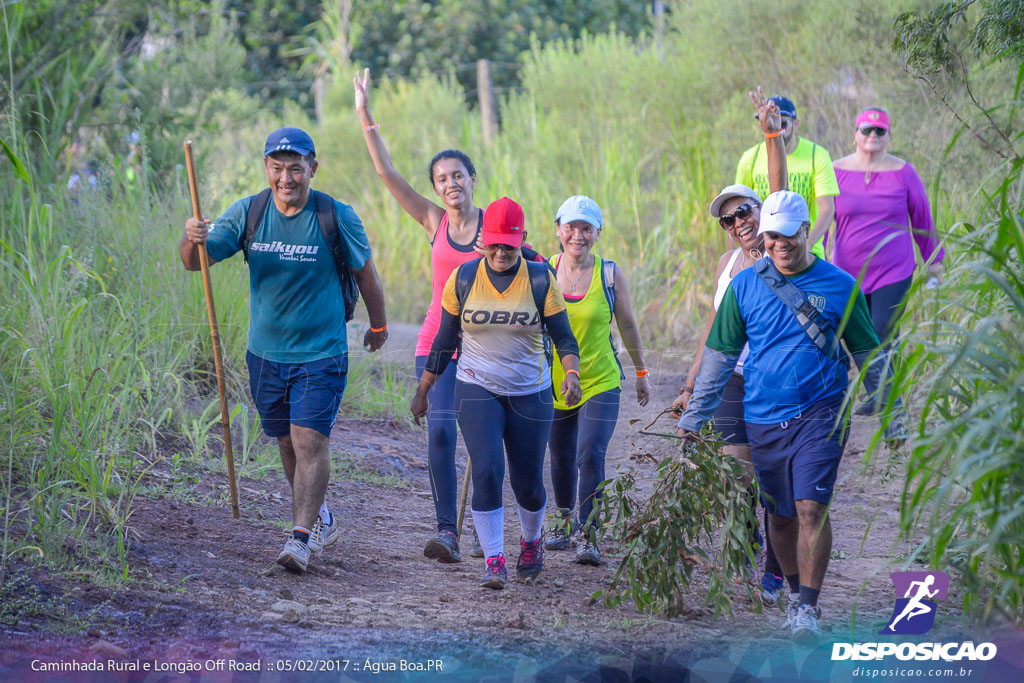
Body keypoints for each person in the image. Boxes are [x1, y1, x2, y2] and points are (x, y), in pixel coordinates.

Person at [677, 189, 884, 641]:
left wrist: (894, 411)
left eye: (788, 236)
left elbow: (868, 350)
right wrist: (695, 416)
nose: (778, 245)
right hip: (764, 414)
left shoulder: (840, 285)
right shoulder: (743, 287)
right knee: (782, 514)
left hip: (823, 411)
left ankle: (807, 608)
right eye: (771, 237)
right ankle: (794, 593)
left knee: (811, 507)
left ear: (807, 230)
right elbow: (718, 356)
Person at [179, 127, 388, 574]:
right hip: (266, 355)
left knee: (309, 438)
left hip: (321, 351)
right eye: (278, 168)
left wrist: (380, 324)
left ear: (313, 167)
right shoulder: (248, 213)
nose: (286, 177)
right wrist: (191, 236)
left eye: (296, 168)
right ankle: (320, 517)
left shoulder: (335, 215)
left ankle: (299, 538)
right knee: (285, 442)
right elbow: (196, 262)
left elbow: (365, 274)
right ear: (267, 169)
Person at [410, 197, 582, 590]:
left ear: (522, 240)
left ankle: (531, 541)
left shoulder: (540, 279)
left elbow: (564, 337)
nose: (501, 252)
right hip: (477, 387)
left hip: (530, 391)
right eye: (494, 244)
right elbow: (445, 338)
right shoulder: (464, 279)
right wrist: (425, 389)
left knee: (527, 482)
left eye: (509, 244)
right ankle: (494, 560)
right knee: (487, 470)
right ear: (481, 243)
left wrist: (570, 374)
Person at [354, 68, 485, 563]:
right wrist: (366, 114)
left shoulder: (495, 227)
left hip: (485, 346)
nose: (450, 184)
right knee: (441, 430)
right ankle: (447, 531)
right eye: (441, 178)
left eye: (457, 176)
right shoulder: (433, 220)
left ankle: (485, 527)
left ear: (472, 180)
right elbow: (388, 174)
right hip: (437, 342)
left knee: (481, 438)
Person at [672, 87, 789, 605]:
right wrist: (692, 383)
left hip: (778, 378)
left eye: (747, 211)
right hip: (732, 379)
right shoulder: (726, 267)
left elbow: (781, 183)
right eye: (730, 218)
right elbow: (714, 331)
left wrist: (770, 135)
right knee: (736, 475)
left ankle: (775, 566)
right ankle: (748, 549)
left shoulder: (779, 255)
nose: (740, 222)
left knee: (773, 480)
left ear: (763, 213)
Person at [542, 194, 650, 566]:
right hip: (555, 381)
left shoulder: (609, 273)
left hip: (601, 381)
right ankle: (563, 519)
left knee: (590, 453)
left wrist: (641, 372)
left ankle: (588, 534)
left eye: (586, 228)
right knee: (560, 456)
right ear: (557, 230)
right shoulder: (545, 269)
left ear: (597, 233)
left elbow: (629, 324)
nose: (578, 235)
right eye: (570, 227)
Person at [831, 107, 944, 416]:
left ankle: (889, 402)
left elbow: (922, 219)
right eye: (867, 130)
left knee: (881, 330)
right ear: (855, 133)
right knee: (858, 335)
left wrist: (934, 262)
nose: (872, 136)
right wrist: (816, 259)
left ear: (888, 135)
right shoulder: (835, 170)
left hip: (893, 270)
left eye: (879, 131)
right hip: (846, 271)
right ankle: (879, 393)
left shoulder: (903, 172)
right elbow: (824, 217)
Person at [735, 95, 839, 259]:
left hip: (806, 253)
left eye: (782, 123)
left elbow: (827, 209)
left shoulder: (817, 155)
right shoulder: (750, 158)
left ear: (796, 123)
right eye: (768, 121)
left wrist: (807, 245)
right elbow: (737, 213)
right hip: (762, 254)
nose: (776, 126)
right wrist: (737, 256)